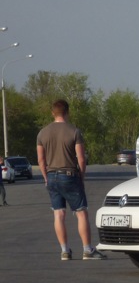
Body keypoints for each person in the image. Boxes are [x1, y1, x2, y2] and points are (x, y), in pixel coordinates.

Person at [36, 99, 106, 260]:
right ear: (67, 112)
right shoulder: (74, 131)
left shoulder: (42, 133)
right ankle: (87, 250)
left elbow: (41, 160)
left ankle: (64, 250)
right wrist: (81, 176)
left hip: (51, 176)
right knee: (81, 213)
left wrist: (46, 177)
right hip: (69, 175)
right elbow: (81, 158)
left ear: (52, 113)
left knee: (59, 214)